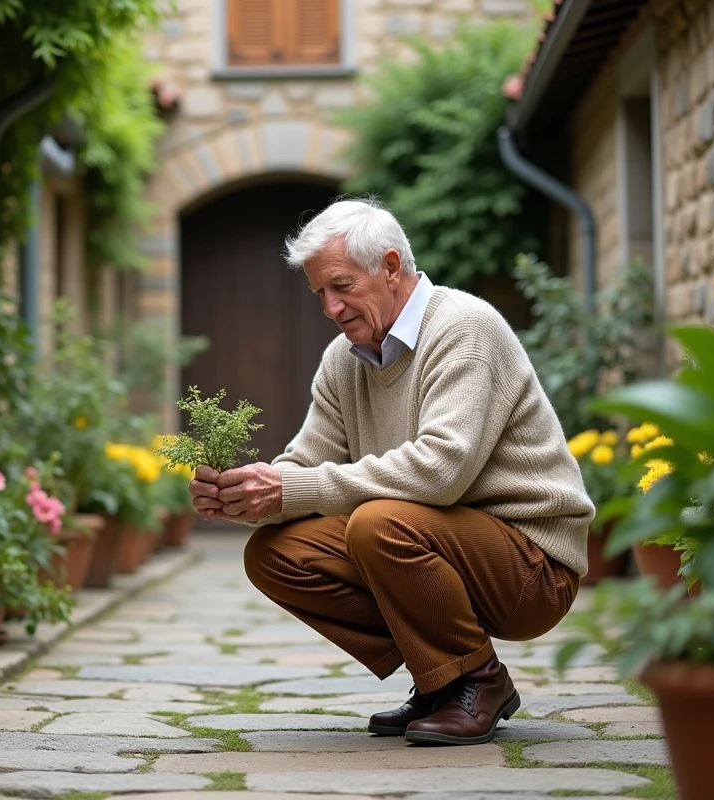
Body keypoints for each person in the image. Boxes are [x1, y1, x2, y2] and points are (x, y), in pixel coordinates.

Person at [189, 198, 594, 746]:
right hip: (438, 546)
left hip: (530, 565)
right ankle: (441, 678)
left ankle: (479, 680)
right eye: (320, 295)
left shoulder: (464, 328)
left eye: (341, 287)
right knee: (276, 554)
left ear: (390, 266)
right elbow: (306, 465)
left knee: (378, 523)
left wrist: (293, 486)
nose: (330, 307)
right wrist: (249, 495)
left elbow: (440, 471)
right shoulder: (344, 359)